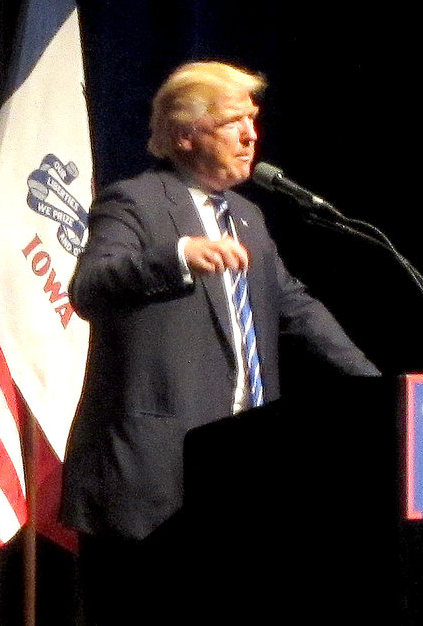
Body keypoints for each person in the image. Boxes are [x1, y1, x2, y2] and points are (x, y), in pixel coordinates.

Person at [60, 61, 380, 624]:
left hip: (241, 476)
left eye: (252, 120)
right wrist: (177, 256)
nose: (251, 135)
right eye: (233, 121)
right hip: (152, 479)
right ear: (185, 134)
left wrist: (380, 390)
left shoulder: (249, 218)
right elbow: (89, 287)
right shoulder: (134, 201)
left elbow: (298, 309)